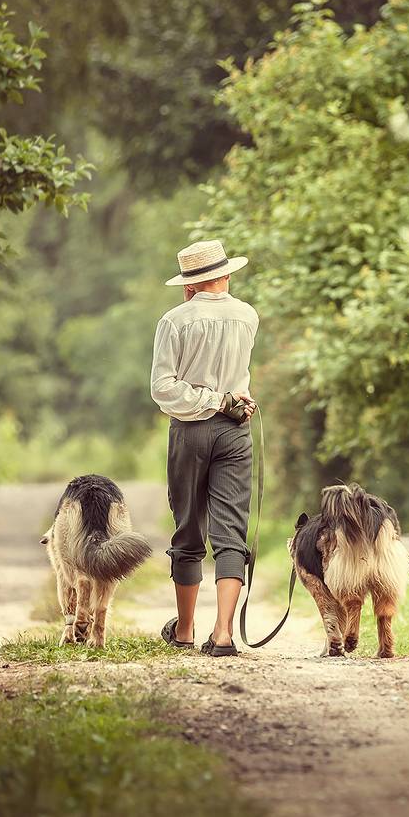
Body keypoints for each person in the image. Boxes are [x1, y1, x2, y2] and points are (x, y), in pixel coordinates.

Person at [150, 239, 259, 656]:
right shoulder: (247, 315)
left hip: (191, 431)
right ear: (226, 275)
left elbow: (163, 389)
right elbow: (237, 377)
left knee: (189, 527)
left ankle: (184, 630)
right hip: (236, 431)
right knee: (231, 530)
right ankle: (224, 633)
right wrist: (231, 399)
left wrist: (212, 400)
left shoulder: (174, 321)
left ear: (188, 285)